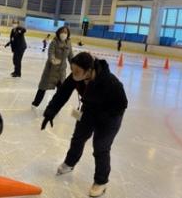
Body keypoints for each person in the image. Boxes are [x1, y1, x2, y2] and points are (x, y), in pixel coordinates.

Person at [41, 52, 128, 197]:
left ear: (89, 70)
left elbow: (122, 104)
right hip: (88, 111)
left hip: (110, 117)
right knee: (78, 138)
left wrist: (103, 117)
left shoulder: (110, 82)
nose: (74, 74)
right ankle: (70, 163)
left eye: (77, 71)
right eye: (72, 70)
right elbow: (62, 94)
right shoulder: (77, 76)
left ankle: (101, 181)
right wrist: (50, 112)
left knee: (100, 147)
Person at [32, 27, 73, 107]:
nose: (64, 34)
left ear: (68, 34)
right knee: (43, 86)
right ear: (58, 32)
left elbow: (71, 56)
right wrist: (53, 59)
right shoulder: (54, 42)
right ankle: (36, 103)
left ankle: (54, 105)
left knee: (61, 90)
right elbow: (50, 53)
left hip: (61, 71)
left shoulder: (68, 43)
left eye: (65, 32)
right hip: (51, 69)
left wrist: (74, 64)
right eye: (62, 32)